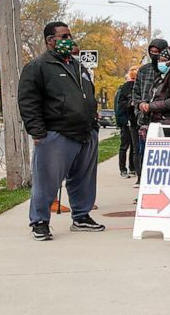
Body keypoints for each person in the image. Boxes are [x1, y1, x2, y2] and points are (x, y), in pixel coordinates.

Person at [18, 21, 105, 241]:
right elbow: (28, 102)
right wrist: (38, 133)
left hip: (85, 132)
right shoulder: (38, 67)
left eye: (69, 36)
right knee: (46, 181)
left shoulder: (77, 66)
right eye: (64, 36)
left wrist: (93, 121)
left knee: (83, 179)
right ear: (50, 40)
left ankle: (81, 216)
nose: (69, 40)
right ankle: (40, 221)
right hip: (56, 134)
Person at [131, 37, 169, 187]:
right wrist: (140, 106)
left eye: (157, 52)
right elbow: (136, 93)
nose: (154, 55)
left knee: (161, 157)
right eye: (151, 52)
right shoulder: (144, 70)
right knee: (143, 154)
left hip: (164, 120)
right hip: (145, 120)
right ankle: (143, 186)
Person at [114, 67, 137, 178]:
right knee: (126, 145)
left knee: (132, 146)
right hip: (127, 120)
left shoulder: (131, 87)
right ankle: (123, 169)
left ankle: (132, 167)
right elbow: (120, 106)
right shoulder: (125, 88)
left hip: (132, 120)